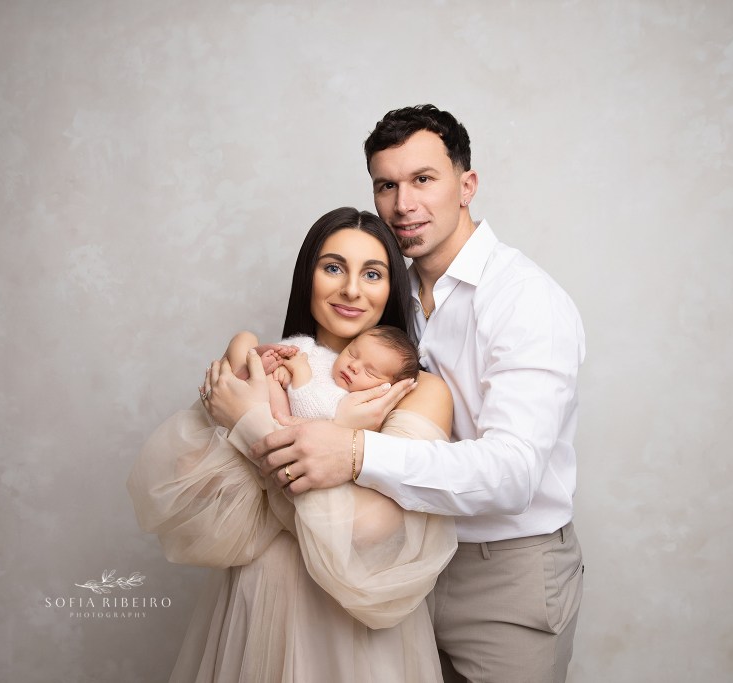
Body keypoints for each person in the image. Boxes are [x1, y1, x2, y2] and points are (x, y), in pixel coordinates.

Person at [242, 106, 587, 682]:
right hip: (401, 564)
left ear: (466, 184)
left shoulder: (524, 299)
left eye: (423, 179)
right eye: (387, 185)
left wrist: (355, 454)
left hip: (505, 574)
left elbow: (514, 473)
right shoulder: (386, 300)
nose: (404, 204)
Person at [127, 207, 456, 682]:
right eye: (333, 267)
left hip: (349, 623)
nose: (351, 289)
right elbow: (194, 501)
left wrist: (250, 423)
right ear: (309, 276)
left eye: (373, 273)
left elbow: (368, 530)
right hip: (257, 597)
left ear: (392, 289)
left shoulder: (417, 390)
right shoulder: (270, 364)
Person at [217, 325, 421, 421]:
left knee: (270, 386)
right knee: (245, 338)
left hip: (270, 419)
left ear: (384, 389)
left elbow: (312, 413)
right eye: (352, 353)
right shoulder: (318, 352)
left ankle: (243, 381)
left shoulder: (347, 399)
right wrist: (278, 356)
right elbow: (296, 349)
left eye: (370, 372)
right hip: (255, 386)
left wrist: (299, 375)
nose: (353, 366)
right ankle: (245, 373)